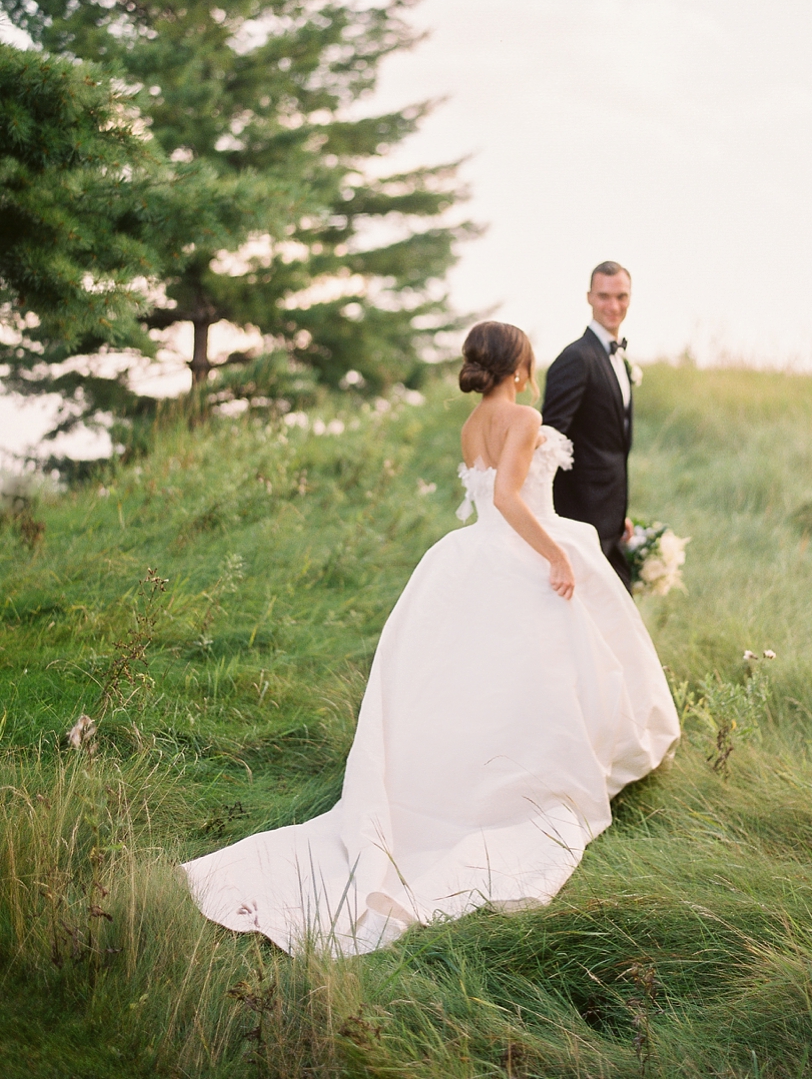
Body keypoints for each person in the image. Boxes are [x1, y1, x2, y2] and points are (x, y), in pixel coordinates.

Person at [181, 321, 679, 957]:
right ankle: (535, 784)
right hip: (522, 550)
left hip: (473, 558)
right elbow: (506, 496)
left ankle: (469, 783)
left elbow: (485, 496)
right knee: (551, 674)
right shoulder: (524, 419)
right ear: (520, 366)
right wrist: (557, 554)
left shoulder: (472, 425)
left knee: (476, 683)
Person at [542, 261, 636, 590]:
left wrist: (618, 510)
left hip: (610, 516)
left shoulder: (618, 358)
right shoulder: (576, 358)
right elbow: (550, 439)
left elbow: (610, 445)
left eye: (621, 296)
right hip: (579, 517)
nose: (613, 306)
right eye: (604, 296)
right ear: (589, 298)